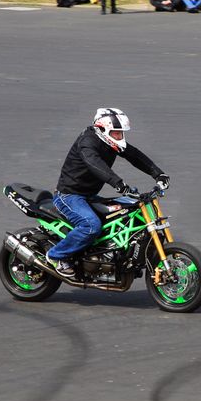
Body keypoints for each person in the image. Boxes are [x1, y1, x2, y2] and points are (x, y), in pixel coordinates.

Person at [46, 108, 169, 278]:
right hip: (69, 196)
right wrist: (119, 184)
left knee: (129, 210)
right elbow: (95, 164)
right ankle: (56, 256)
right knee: (91, 226)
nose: (120, 136)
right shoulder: (87, 142)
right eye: (116, 132)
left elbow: (135, 156)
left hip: (90, 196)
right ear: (102, 130)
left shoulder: (111, 142)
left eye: (121, 132)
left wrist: (158, 174)